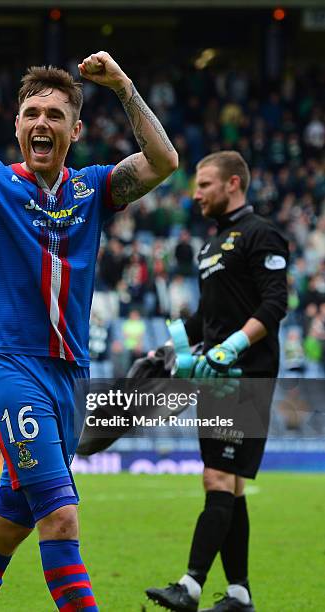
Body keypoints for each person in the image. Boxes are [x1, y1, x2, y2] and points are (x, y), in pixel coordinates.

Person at [0, 39, 178, 611]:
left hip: (70, 376)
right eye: (32, 114)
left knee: (6, 525)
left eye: (56, 115)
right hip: (11, 365)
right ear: (17, 125)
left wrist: (121, 87)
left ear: (75, 130)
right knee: (61, 518)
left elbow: (164, 162)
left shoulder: (94, 188)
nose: (42, 123)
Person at [146, 151, 288, 612]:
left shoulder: (261, 235)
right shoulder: (211, 247)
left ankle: (190, 585)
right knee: (233, 485)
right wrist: (167, 348)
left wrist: (233, 348)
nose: (195, 193)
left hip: (245, 375)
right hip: (216, 376)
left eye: (204, 184)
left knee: (216, 476)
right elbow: (207, 318)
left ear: (233, 183)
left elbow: (273, 306)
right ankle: (240, 593)